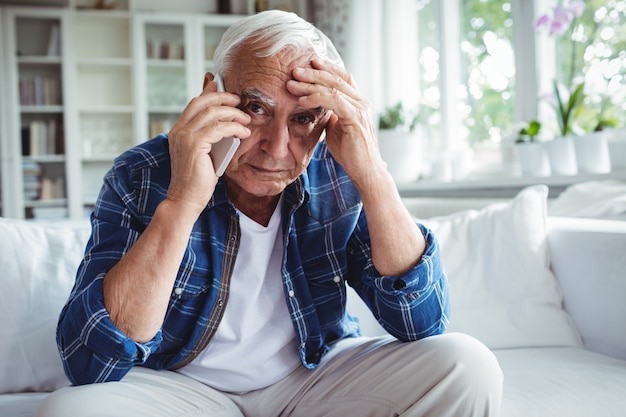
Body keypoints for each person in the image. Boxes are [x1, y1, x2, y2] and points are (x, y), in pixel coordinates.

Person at [37, 10, 502, 417]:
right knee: (69, 410)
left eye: (303, 119)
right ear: (210, 93)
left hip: (312, 376)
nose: (277, 149)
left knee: (468, 366)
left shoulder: (338, 171)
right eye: (256, 109)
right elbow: (89, 361)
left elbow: (421, 323)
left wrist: (374, 174)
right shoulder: (141, 172)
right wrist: (182, 201)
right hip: (181, 386)